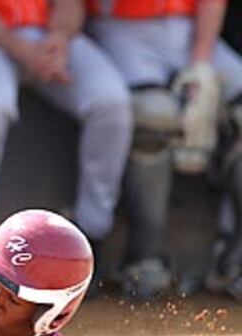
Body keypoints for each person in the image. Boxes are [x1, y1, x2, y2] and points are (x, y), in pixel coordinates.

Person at [0, 0, 132, 251]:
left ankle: (92, 233)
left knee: (109, 101)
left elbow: (70, 4)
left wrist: (59, 37)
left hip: (47, 36)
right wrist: (24, 50)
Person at [86, 0, 242, 299]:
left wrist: (201, 63)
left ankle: (233, 261)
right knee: (153, 115)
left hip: (190, 28)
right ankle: (144, 256)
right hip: (121, 27)